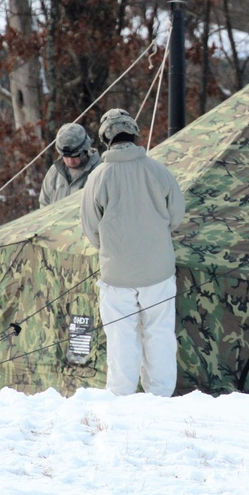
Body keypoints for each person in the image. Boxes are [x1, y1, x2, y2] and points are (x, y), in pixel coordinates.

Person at [81, 109, 185, 396]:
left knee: (121, 338)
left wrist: (113, 250)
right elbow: (176, 215)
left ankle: (121, 397)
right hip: (159, 271)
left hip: (116, 276)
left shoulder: (98, 177)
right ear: (134, 133)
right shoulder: (158, 170)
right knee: (159, 335)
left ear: (105, 139)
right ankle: (160, 396)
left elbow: (90, 228)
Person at [39, 123, 101, 207]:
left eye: (75, 156)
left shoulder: (99, 171)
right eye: (66, 157)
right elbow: (44, 204)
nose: (70, 161)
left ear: (85, 150)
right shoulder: (54, 173)